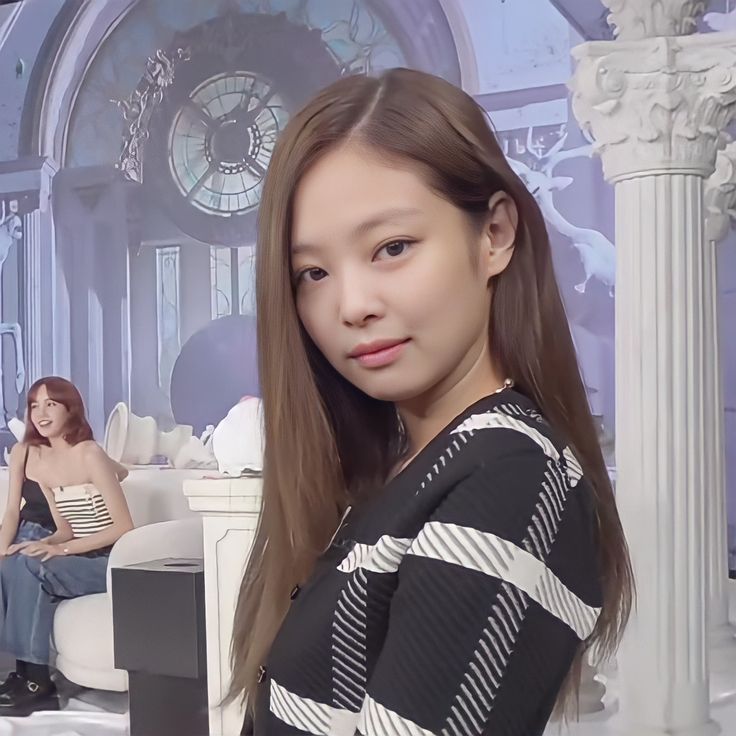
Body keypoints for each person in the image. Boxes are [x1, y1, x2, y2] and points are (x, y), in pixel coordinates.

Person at [230, 68, 634, 736]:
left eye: (392, 248)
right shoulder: (396, 463)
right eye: (314, 273)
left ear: (495, 234)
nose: (352, 306)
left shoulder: (511, 478)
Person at [0, 376, 134, 715]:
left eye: (51, 404)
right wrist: (44, 543)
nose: (41, 413)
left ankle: (37, 682)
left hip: (110, 560)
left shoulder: (90, 454)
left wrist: (60, 551)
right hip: (80, 553)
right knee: (22, 560)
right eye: (34, 406)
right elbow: (64, 528)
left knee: (34, 566)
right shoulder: (41, 463)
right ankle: (25, 675)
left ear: (69, 409)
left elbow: (124, 528)